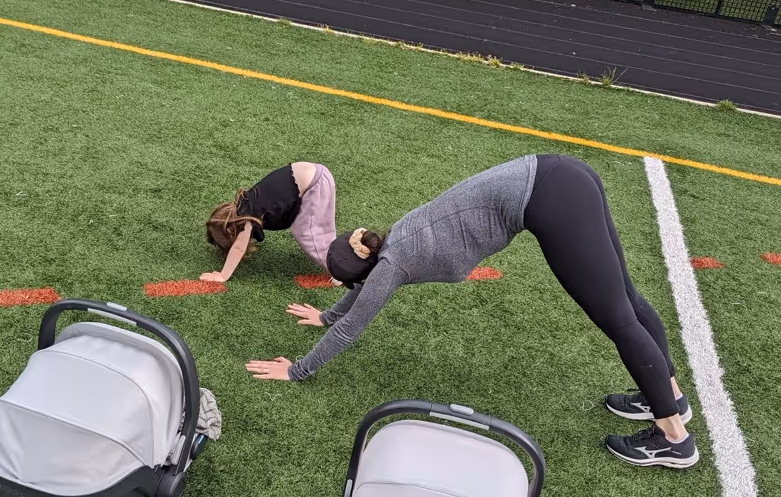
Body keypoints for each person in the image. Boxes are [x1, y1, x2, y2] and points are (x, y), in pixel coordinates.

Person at [246, 153, 698, 469]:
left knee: (617, 317)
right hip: (563, 174)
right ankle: (667, 395)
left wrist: (299, 369)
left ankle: (673, 437)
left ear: (363, 272)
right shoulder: (393, 238)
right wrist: (326, 315)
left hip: (547, 199)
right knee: (628, 301)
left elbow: (354, 324)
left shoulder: (391, 266)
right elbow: (357, 297)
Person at [201, 162, 338, 284]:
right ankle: (344, 251)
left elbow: (238, 248)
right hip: (315, 174)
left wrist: (223, 275)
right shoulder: (247, 202)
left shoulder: (246, 216)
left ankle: (340, 270)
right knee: (317, 231)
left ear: (231, 230)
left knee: (308, 234)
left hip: (315, 184)